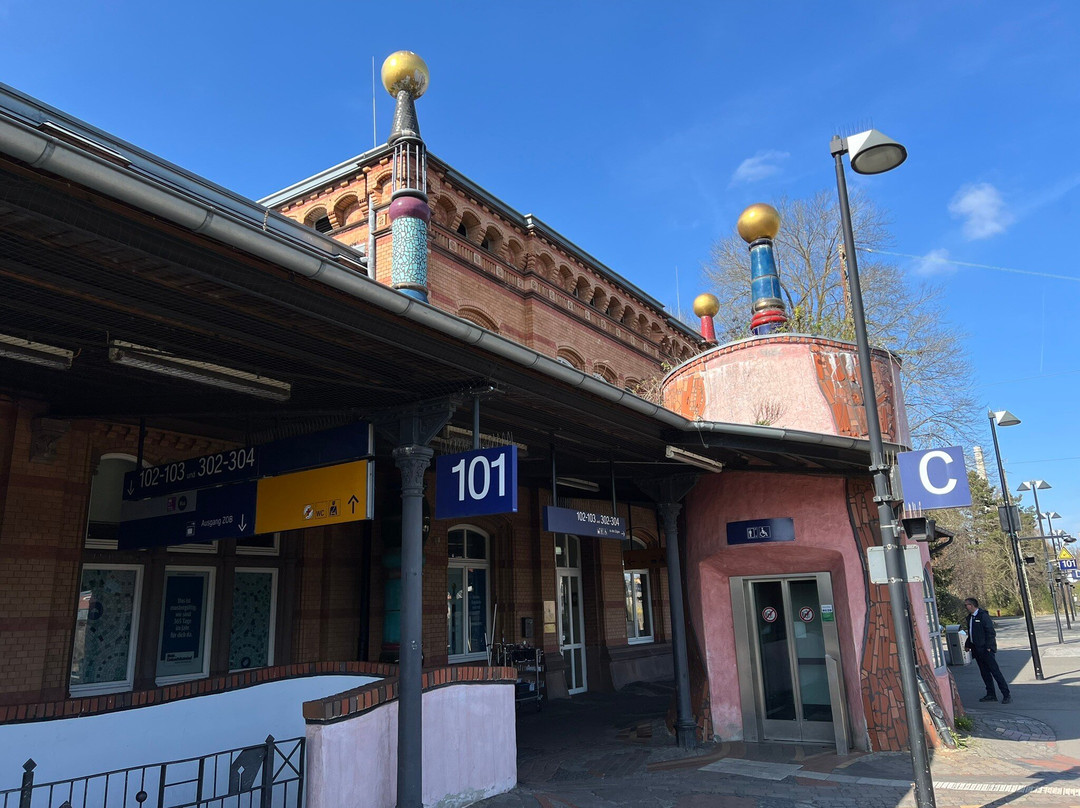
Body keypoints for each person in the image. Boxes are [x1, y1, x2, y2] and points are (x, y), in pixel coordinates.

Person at [964, 597, 1011, 704]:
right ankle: (991, 694)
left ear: (972, 605)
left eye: (966, 605)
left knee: (995, 672)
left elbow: (990, 632)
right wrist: (968, 644)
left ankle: (1006, 694)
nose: (965, 607)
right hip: (977, 649)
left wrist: (989, 647)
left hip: (986, 649)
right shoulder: (970, 618)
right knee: (984, 673)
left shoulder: (983, 616)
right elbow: (972, 633)